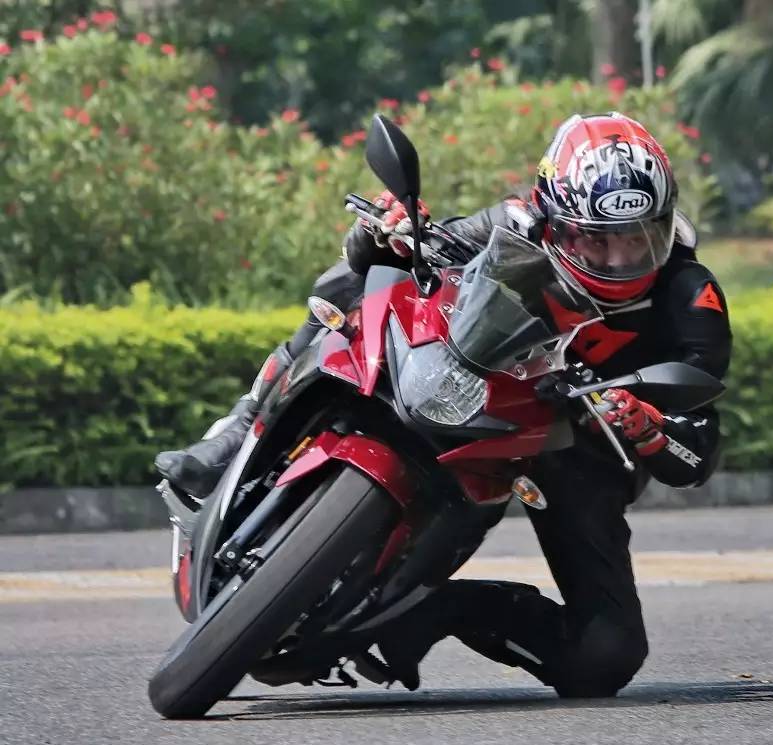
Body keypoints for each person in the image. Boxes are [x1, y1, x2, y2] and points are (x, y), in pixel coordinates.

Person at [154, 112, 732, 698]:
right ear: (555, 218)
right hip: (479, 387)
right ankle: (241, 425)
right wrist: (390, 231)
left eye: (637, 239)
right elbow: (425, 248)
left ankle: (432, 608)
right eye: (597, 240)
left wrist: (649, 425)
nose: (618, 260)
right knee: (358, 274)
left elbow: (699, 447)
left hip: (576, 446)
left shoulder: (691, 297)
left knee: (605, 656)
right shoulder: (516, 222)